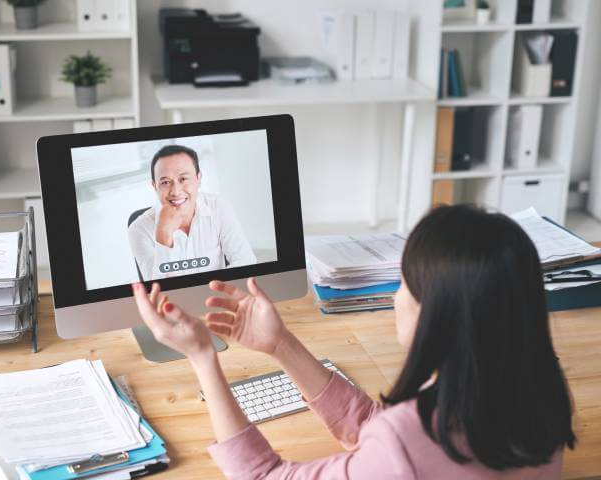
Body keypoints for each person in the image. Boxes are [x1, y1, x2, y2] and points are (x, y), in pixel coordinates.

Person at [131, 204, 576, 479]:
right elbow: (375, 429)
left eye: (403, 285)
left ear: (436, 314)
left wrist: (203, 357)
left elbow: (264, 476)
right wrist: (281, 344)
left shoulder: (410, 443)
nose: (395, 298)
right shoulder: (537, 394)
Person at [128, 144, 256, 281]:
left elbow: (245, 261)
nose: (176, 191)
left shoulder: (218, 207)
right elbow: (156, 291)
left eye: (183, 179)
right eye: (165, 182)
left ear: (198, 178)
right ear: (155, 187)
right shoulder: (139, 229)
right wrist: (163, 236)